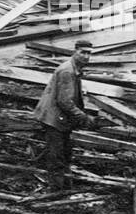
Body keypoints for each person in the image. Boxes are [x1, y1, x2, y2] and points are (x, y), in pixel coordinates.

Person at [32, 40, 95, 191]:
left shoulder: (74, 69)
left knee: (65, 153)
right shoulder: (67, 71)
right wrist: (83, 117)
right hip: (54, 118)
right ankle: (56, 189)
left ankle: (65, 185)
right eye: (83, 52)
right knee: (57, 155)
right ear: (75, 51)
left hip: (60, 118)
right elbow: (64, 102)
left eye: (89, 53)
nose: (86, 56)